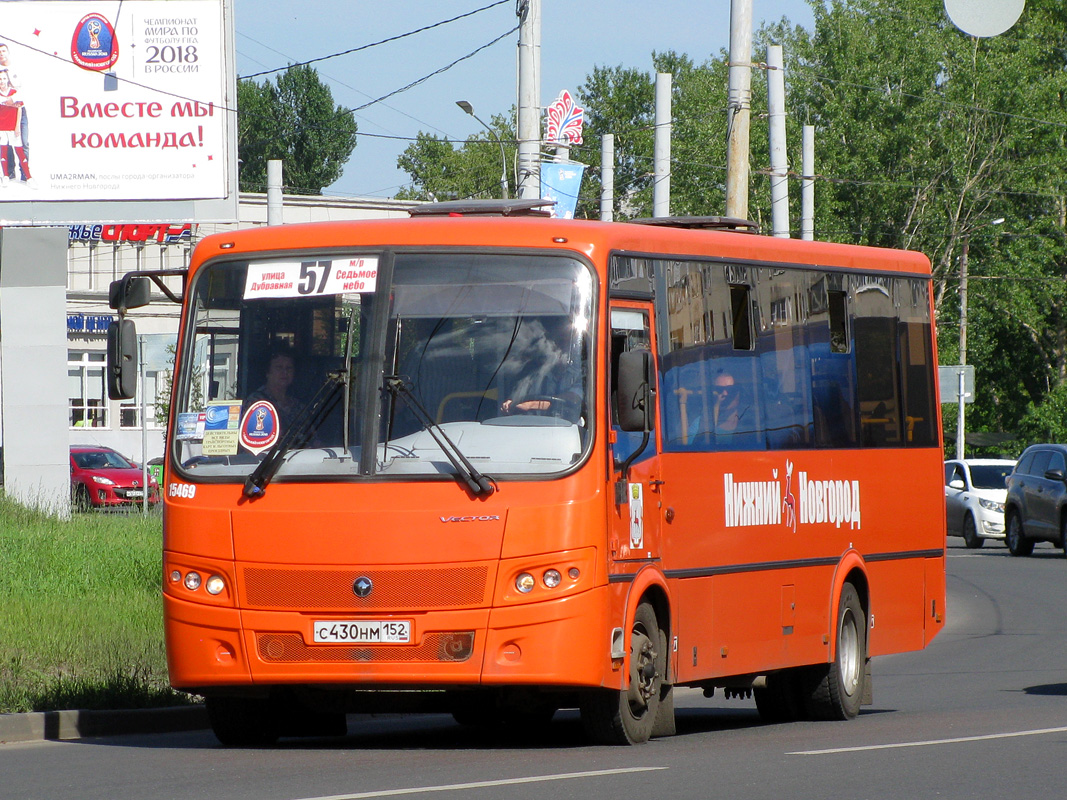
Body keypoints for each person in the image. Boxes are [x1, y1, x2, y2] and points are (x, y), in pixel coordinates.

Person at [499, 317, 584, 420]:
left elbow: (573, 399)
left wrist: (531, 405)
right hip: (534, 425)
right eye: (557, 343)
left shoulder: (581, 373)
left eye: (564, 344)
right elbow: (523, 396)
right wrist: (511, 403)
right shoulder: (537, 373)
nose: (560, 348)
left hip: (570, 428)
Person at [246, 350, 306, 434]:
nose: (284, 372)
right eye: (279, 367)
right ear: (267, 372)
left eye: (289, 368)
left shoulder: (298, 406)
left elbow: (313, 438)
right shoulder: (257, 403)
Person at [0, 68, 30, 184]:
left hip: (20, 113)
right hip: (5, 116)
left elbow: (21, 99)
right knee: (5, 144)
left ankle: (25, 174)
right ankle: (9, 173)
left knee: (23, 143)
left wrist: (13, 100)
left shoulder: (15, 70)